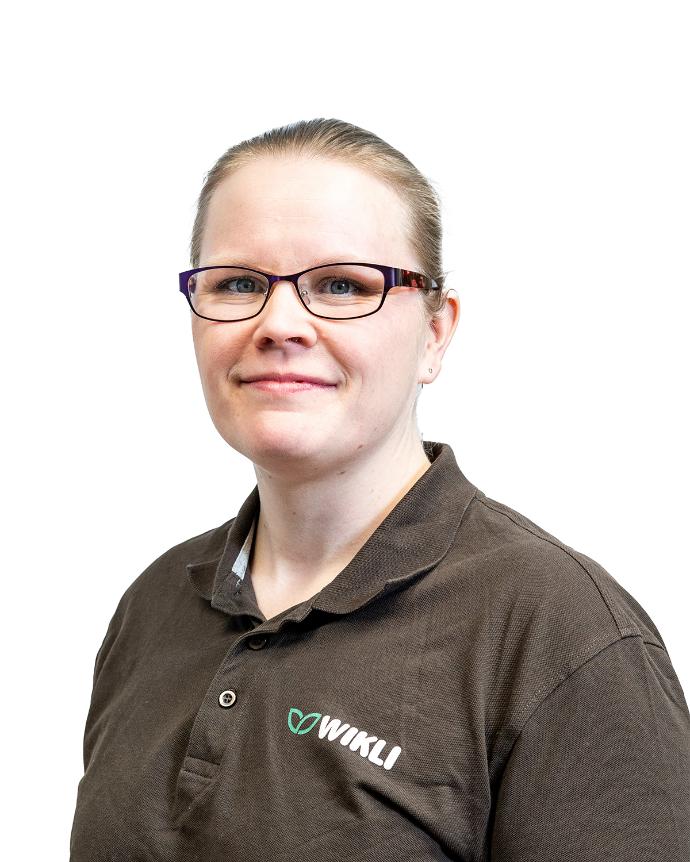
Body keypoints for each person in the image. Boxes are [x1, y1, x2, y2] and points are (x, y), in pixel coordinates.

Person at [70, 118, 690, 861]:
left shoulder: (563, 637)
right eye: (238, 284)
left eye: (342, 285)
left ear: (435, 333)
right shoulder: (153, 604)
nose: (279, 324)